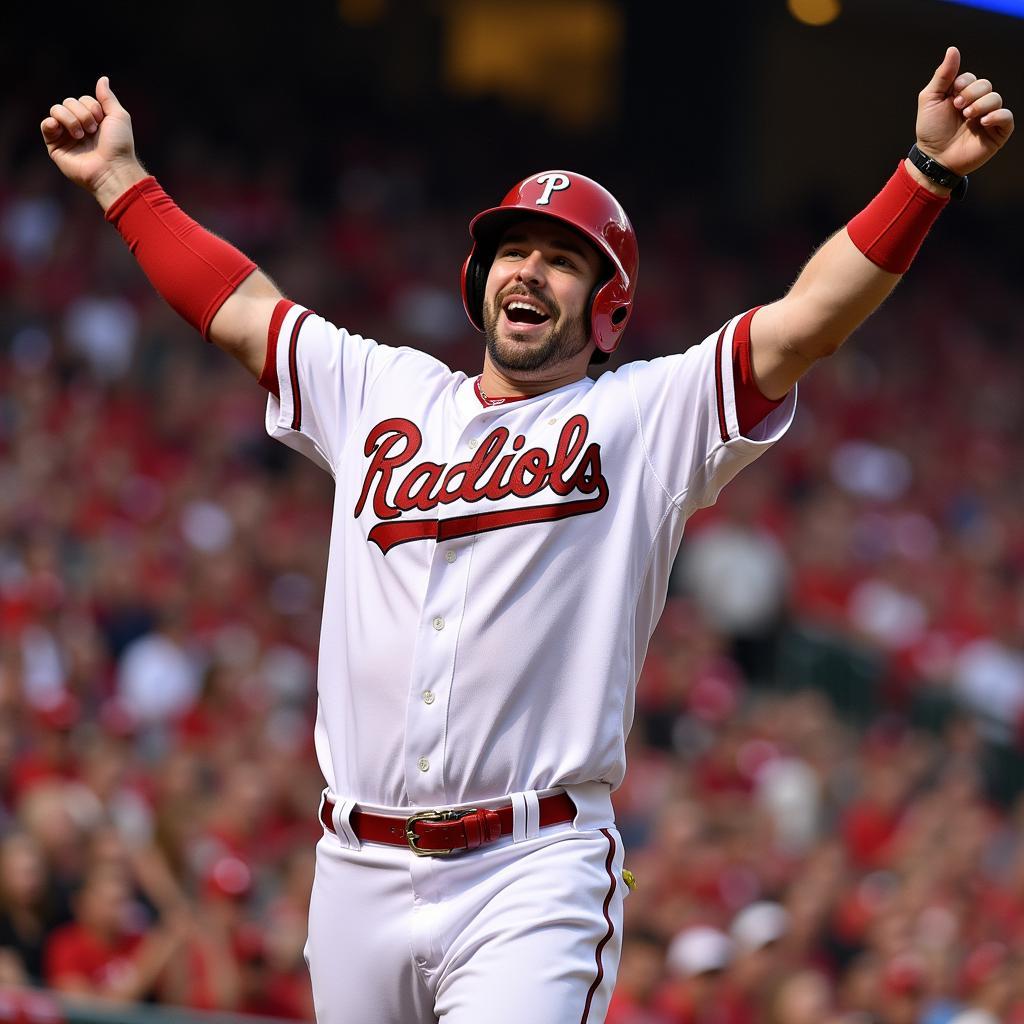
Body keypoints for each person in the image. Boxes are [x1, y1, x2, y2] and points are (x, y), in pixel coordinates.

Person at [40, 47, 1013, 1024]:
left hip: (528, 869)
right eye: (514, 249)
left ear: (607, 305)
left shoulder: (643, 416)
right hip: (353, 868)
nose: (529, 269)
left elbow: (803, 323)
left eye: (560, 258)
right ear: (478, 275)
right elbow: (240, 307)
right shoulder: (383, 388)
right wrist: (122, 182)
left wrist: (921, 177)